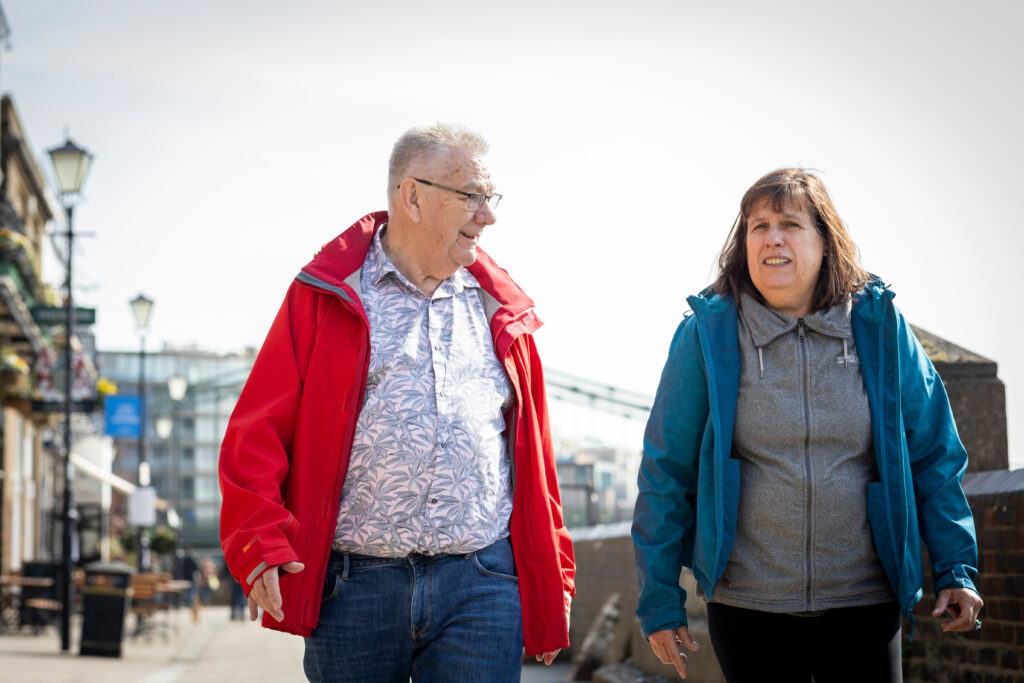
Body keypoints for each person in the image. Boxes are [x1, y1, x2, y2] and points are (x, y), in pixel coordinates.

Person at [219, 123, 574, 682]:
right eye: (472, 197)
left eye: (490, 199)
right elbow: (256, 431)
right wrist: (258, 539)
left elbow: (536, 460)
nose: (489, 215)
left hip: (481, 581)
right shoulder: (325, 295)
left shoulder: (502, 308)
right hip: (353, 587)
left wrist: (557, 574)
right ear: (413, 196)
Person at [632, 168, 983, 682]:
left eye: (790, 224)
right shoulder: (707, 335)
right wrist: (660, 600)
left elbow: (934, 453)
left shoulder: (880, 327)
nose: (772, 238)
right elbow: (666, 471)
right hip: (748, 603)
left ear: (824, 241)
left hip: (865, 598)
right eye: (758, 226)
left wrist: (956, 567)